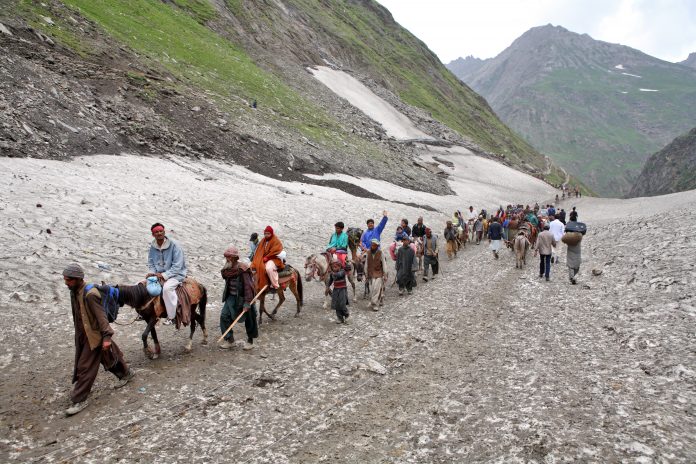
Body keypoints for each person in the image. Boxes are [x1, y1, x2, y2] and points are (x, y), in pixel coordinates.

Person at [62, 263, 134, 416]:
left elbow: (102, 318)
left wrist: (106, 337)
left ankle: (79, 399)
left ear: (77, 279)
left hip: (94, 335)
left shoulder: (91, 295)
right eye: (65, 279)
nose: (65, 283)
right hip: (84, 334)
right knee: (109, 355)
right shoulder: (74, 292)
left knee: (85, 367)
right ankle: (126, 374)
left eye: (68, 280)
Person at [147, 223, 187, 323]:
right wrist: (152, 273)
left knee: (167, 288)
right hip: (158, 274)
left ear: (164, 232)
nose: (159, 233)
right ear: (153, 234)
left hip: (176, 275)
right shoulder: (153, 246)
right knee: (142, 285)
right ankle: (145, 312)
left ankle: (171, 317)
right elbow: (151, 262)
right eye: (156, 232)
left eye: (161, 231)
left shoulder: (175, 245)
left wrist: (164, 275)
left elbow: (177, 266)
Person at [219, 247, 258, 351]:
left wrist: (247, 303)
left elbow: (248, 287)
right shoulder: (228, 269)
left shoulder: (243, 269)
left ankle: (250, 341)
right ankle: (230, 340)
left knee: (250, 318)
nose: (226, 259)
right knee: (224, 316)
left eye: (228, 258)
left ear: (234, 258)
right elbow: (224, 275)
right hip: (231, 297)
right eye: (226, 257)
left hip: (244, 297)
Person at [251, 225, 284, 292]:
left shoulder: (276, 240)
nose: (266, 235)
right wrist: (259, 258)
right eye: (265, 234)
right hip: (264, 258)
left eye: (268, 233)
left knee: (269, 268)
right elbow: (259, 251)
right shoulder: (263, 240)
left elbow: (276, 251)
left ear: (271, 233)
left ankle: (275, 285)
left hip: (274, 259)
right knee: (254, 266)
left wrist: (268, 257)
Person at [366, 238, 387, 310]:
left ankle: (374, 304)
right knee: (372, 289)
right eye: (372, 245)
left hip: (378, 273)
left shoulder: (381, 253)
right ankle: (379, 299)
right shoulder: (368, 253)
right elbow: (366, 264)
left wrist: (385, 274)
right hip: (371, 273)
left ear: (377, 246)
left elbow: (384, 264)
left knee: (376, 289)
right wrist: (366, 274)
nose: (373, 247)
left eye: (375, 245)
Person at [326, 259, 350, 323]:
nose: (334, 268)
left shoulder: (342, 271)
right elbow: (330, 281)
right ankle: (340, 318)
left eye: (335, 267)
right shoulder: (332, 274)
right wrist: (327, 287)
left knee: (342, 304)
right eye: (333, 267)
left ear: (339, 266)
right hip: (336, 290)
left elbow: (338, 275)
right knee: (336, 305)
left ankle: (346, 315)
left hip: (342, 290)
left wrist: (331, 273)